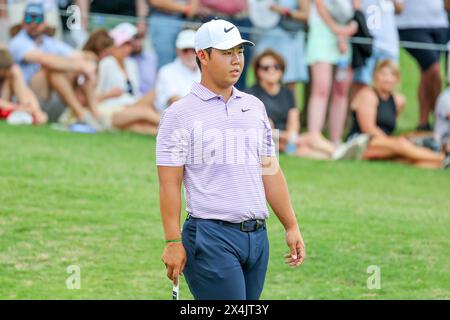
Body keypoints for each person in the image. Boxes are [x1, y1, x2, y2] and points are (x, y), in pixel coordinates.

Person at [157, 19, 306, 300]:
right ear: (203, 56)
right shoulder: (178, 114)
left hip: (257, 238)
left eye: (239, 51)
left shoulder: (255, 107)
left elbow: (270, 170)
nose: (236, 60)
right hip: (210, 237)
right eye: (227, 53)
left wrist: (291, 225)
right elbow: (168, 185)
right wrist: (173, 240)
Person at [248, 49, 368, 160]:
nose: (271, 70)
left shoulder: (287, 93)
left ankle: (337, 154)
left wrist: (292, 137)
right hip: (267, 140)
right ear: (258, 71)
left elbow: (294, 119)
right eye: (266, 67)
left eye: (276, 66)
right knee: (312, 138)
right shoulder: (252, 95)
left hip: (288, 140)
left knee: (309, 146)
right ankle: (341, 151)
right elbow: (262, 127)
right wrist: (287, 137)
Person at [8, 2, 102, 128]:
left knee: (79, 68)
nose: (33, 24)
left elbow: (77, 55)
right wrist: (82, 66)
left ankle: (95, 115)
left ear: (44, 23)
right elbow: (45, 59)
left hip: (51, 97)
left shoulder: (49, 42)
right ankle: (81, 115)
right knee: (53, 69)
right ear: (23, 22)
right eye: (29, 18)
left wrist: (89, 61)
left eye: (38, 19)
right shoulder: (18, 42)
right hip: (26, 95)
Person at [348, 60, 449, 169]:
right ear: (375, 76)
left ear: (396, 79)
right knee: (402, 145)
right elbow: (368, 129)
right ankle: (442, 158)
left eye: (392, 75)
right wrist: (393, 142)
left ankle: (441, 164)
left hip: (383, 142)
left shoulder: (398, 101)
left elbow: (390, 127)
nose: (387, 79)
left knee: (408, 159)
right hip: (361, 142)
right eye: (383, 74)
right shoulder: (368, 95)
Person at [305, 0, 358, 146]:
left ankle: (336, 140)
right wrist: (336, 29)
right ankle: (314, 137)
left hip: (345, 34)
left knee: (341, 91)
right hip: (322, 31)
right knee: (321, 89)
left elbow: (357, 7)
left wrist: (351, 27)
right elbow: (319, 5)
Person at [96, 23, 160, 134]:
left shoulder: (131, 63)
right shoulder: (106, 63)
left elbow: (135, 92)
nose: (126, 49)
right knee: (144, 114)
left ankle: (181, 135)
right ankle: (182, 129)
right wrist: (109, 95)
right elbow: (96, 93)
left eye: (128, 45)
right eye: (123, 45)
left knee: (141, 124)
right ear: (114, 46)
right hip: (112, 108)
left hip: (130, 105)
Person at [396, 0, 449, 131]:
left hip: (439, 23)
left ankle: (423, 123)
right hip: (409, 24)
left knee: (426, 71)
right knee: (433, 68)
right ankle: (440, 120)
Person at [254, 0, 309, 100]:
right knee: (263, 75)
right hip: (268, 36)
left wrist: (283, 11)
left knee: (290, 80)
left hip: (289, 39)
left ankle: (291, 113)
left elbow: (306, 15)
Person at [351, 0, 403, 99]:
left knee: (388, 86)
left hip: (389, 43)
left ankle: (381, 113)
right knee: (362, 84)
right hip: (367, 43)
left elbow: (400, 8)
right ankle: (357, 113)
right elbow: (355, 7)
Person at [154, 29, 200, 113]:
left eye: (193, 50)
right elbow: (174, 100)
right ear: (177, 51)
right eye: (185, 50)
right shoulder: (166, 71)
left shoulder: (205, 72)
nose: (190, 54)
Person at [0, 48, 47, 125]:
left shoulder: (11, 72)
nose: (7, 73)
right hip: (5, 107)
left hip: (7, 104)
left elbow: (24, 90)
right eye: (4, 71)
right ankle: (30, 113)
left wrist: (36, 111)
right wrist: (17, 107)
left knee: (15, 71)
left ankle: (34, 114)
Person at [130, 29, 158, 95]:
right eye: (135, 39)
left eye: (139, 38)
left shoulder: (151, 57)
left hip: (151, 96)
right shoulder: (126, 59)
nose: (137, 42)